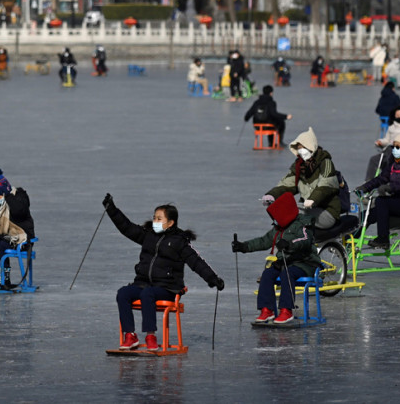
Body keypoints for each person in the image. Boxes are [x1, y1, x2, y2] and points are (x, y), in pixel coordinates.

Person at [103, 193, 224, 351]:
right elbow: (126, 227)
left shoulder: (179, 242)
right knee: (123, 293)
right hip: (143, 284)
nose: (155, 222)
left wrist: (212, 279)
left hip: (168, 288)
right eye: (154, 218)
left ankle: (150, 336)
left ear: (170, 223)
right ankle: (130, 335)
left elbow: (196, 262)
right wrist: (111, 209)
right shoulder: (148, 235)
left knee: (148, 294)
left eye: (159, 219)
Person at [232, 192, 321, 325]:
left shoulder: (302, 224)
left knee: (287, 273)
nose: (275, 219)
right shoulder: (278, 228)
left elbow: (305, 240)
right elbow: (263, 241)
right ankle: (267, 310)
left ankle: (286, 310)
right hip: (286, 262)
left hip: (305, 263)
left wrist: (289, 244)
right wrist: (243, 246)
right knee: (267, 274)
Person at [355, 130, 400, 248]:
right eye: (393, 146)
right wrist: (365, 187)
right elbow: (382, 178)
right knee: (368, 214)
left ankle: (383, 240)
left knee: (381, 201)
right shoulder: (394, 163)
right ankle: (353, 238)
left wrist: (390, 187)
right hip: (398, 199)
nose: (394, 149)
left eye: (398, 147)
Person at [263, 126, 344, 230]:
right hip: (307, 209)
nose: (301, 151)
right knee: (282, 213)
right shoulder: (298, 166)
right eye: (299, 149)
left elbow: (326, 185)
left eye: (303, 148)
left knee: (296, 214)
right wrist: (272, 194)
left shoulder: (325, 163)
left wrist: (313, 199)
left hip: (326, 211)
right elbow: (288, 184)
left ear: (311, 147)